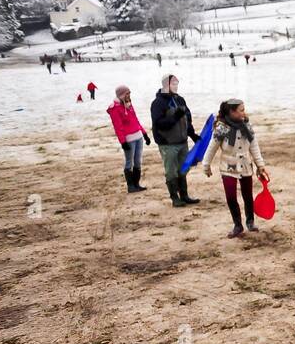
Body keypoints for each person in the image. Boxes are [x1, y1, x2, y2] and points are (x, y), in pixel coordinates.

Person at [203, 99, 270, 238]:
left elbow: (254, 147)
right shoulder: (221, 128)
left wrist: (260, 165)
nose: (244, 113)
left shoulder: (247, 125)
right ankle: (238, 225)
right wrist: (206, 164)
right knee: (231, 197)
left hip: (246, 166)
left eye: (244, 109)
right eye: (241, 110)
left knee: (247, 196)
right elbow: (212, 147)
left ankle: (250, 221)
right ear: (232, 112)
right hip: (227, 167)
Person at [150, 74, 201, 207]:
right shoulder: (158, 103)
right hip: (168, 144)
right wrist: (175, 117)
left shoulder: (180, 100)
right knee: (171, 171)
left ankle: (184, 195)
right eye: (173, 84)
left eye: (177, 83)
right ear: (166, 86)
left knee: (182, 169)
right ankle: (175, 198)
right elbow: (159, 123)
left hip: (182, 141)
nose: (176, 86)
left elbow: (187, 119)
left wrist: (192, 134)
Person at [107, 85, 151, 193]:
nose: (129, 96)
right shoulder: (115, 108)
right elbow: (118, 127)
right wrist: (123, 142)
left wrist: (144, 134)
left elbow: (135, 120)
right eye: (127, 94)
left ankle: (136, 184)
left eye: (129, 93)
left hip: (138, 137)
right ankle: (130, 186)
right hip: (129, 139)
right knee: (129, 162)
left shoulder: (129, 105)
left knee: (138, 162)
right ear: (121, 95)